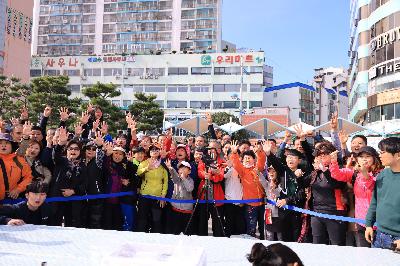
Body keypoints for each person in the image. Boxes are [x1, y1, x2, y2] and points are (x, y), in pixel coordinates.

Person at [330, 146, 383, 247]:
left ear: (374, 158)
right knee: (363, 253)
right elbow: (337, 174)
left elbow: (370, 184)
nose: (364, 159)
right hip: (360, 220)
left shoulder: (380, 174)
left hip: (378, 221)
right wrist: (334, 162)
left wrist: (364, 172)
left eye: (368, 156)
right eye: (361, 157)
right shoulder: (354, 173)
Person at [303, 142, 347, 246]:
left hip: (334, 212)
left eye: (324, 154)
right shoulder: (316, 171)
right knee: (317, 243)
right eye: (319, 155)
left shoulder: (338, 168)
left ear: (332, 155)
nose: (321, 157)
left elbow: (337, 185)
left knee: (337, 244)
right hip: (316, 212)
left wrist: (325, 170)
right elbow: (303, 184)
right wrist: (300, 175)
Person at [365, 137, 400, 249]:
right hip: (378, 235)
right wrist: (368, 225)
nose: (379, 155)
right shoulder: (382, 174)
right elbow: (375, 201)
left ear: (398, 155)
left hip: (397, 239)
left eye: (383, 152)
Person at [48, 127, 87, 228]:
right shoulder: (61, 161)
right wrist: (60, 143)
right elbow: (55, 155)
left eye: (76, 149)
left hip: (74, 202)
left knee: (73, 226)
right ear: (67, 150)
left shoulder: (83, 166)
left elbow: (84, 184)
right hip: (57, 199)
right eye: (71, 149)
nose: (73, 151)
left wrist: (73, 191)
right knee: (54, 224)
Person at [230, 141, 266, 239]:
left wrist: (259, 152)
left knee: (264, 228)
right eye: (245, 158)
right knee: (251, 228)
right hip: (250, 205)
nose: (247, 160)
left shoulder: (257, 168)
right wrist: (234, 153)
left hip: (263, 203)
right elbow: (236, 163)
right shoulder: (242, 170)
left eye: (249, 158)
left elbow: (261, 161)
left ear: (254, 160)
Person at [136, 144, 169, 233]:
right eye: (152, 150)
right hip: (145, 195)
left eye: (156, 150)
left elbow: (165, 181)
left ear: (159, 153)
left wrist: (163, 195)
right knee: (142, 219)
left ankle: (156, 240)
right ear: (149, 153)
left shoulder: (162, 165)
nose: (154, 152)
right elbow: (138, 173)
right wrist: (147, 168)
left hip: (157, 197)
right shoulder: (144, 162)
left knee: (156, 220)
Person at [0, 133, 33, 201]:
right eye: (0, 143)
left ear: (12, 145)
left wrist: (18, 189)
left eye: (7, 142)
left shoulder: (19, 160)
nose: (3, 145)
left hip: (12, 199)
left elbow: (29, 176)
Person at [164, 160, 194, 235]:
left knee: (187, 232)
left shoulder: (191, 180)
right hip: (175, 209)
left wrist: (184, 178)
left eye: (184, 168)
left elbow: (190, 188)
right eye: (180, 168)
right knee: (174, 231)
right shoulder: (177, 179)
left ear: (189, 171)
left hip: (187, 210)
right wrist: (170, 168)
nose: (182, 170)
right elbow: (174, 175)